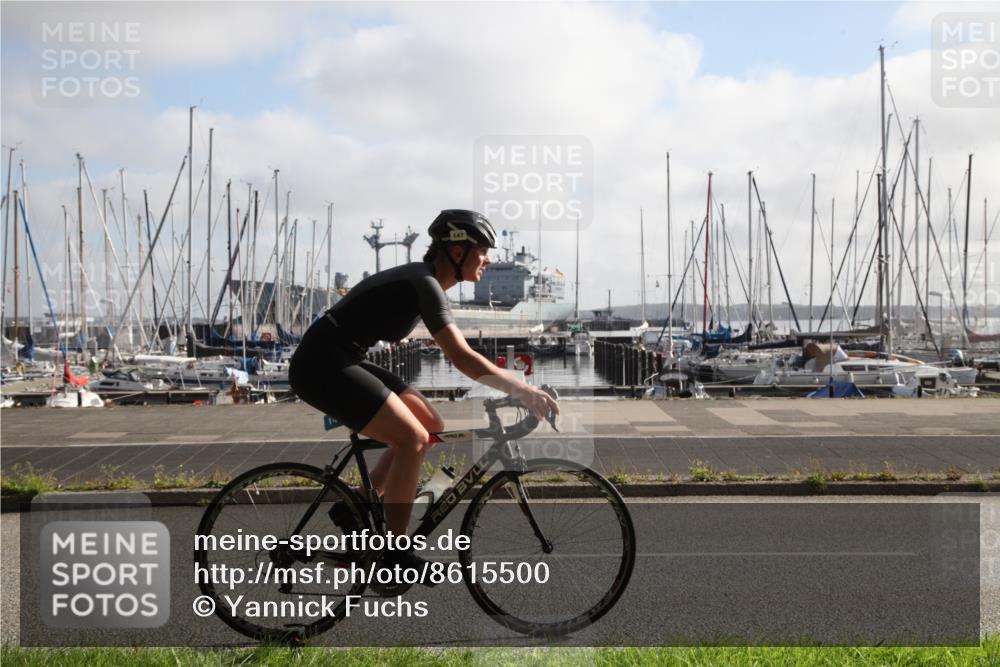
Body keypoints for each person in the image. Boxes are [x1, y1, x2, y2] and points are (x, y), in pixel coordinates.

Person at [288, 209, 559, 574]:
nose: (489, 258)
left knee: (430, 423)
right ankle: (395, 555)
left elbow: (466, 358)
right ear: (457, 251)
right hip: (321, 365)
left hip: (341, 356)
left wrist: (519, 387)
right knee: (412, 439)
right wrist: (524, 390)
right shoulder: (425, 283)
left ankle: (357, 506)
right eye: (482, 249)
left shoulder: (426, 282)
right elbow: (463, 358)